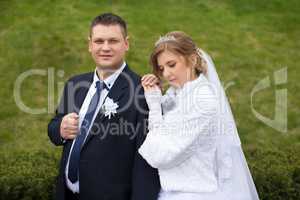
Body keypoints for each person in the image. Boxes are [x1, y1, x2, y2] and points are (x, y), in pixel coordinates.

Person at [48, 13, 160, 200]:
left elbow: (146, 162)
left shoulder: (143, 92)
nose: (105, 48)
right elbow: (53, 127)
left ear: (126, 44)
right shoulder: (75, 84)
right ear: (90, 45)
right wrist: (60, 129)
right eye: (99, 41)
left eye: (113, 41)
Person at [138, 31, 259, 200]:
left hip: (195, 194)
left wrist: (155, 107)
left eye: (171, 64)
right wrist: (155, 99)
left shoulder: (202, 101)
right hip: (176, 192)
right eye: (161, 68)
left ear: (193, 59)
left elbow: (160, 154)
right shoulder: (178, 96)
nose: (166, 74)